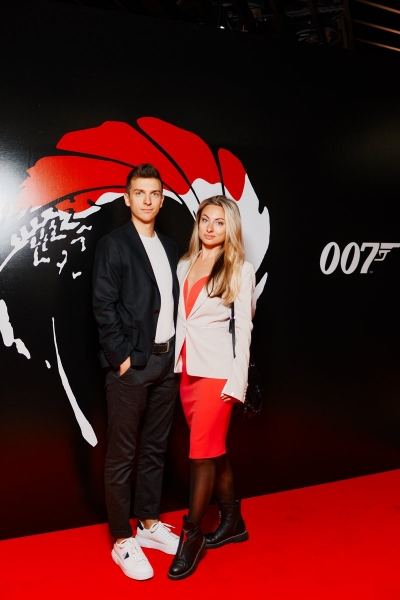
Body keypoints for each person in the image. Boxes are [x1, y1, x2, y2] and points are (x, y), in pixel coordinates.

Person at [92, 163, 180, 581]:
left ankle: (148, 523)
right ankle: (122, 538)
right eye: (140, 193)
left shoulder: (170, 245)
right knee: (122, 455)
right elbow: (103, 304)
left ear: (162, 200)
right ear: (127, 199)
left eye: (154, 193)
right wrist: (122, 358)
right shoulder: (114, 244)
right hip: (132, 365)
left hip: (167, 363)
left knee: (155, 448)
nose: (147, 200)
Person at [168, 195, 255, 580]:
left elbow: (245, 329)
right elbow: (180, 319)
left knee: (201, 454)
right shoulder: (185, 264)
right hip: (187, 370)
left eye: (219, 222)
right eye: (205, 219)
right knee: (213, 450)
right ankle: (233, 521)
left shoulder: (240, 268)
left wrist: (238, 383)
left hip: (218, 374)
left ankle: (191, 535)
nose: (210, 227)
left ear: (229, 227)